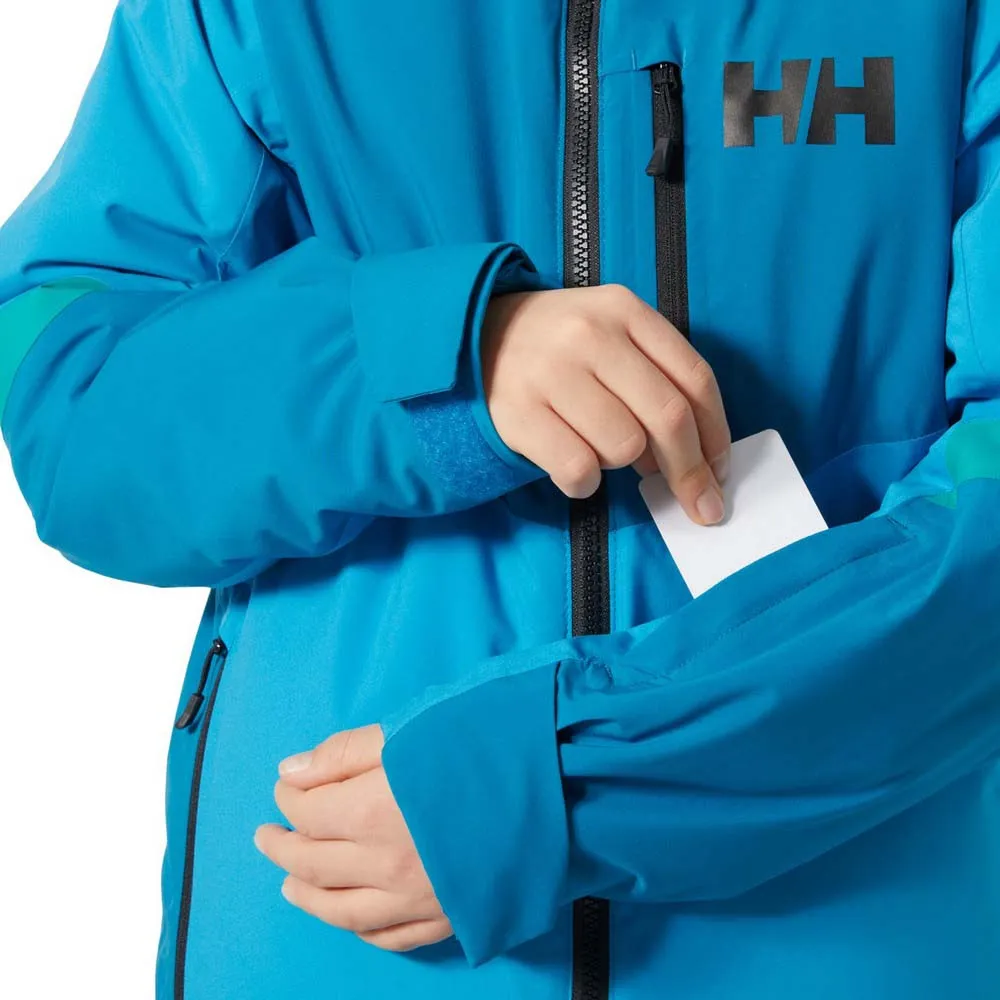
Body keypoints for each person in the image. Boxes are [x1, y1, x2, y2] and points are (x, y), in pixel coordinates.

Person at [1, 0, 998, 998]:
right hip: (340, 923)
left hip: (839, 933)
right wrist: (447, 361)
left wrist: (569, 779)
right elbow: (67, 394)